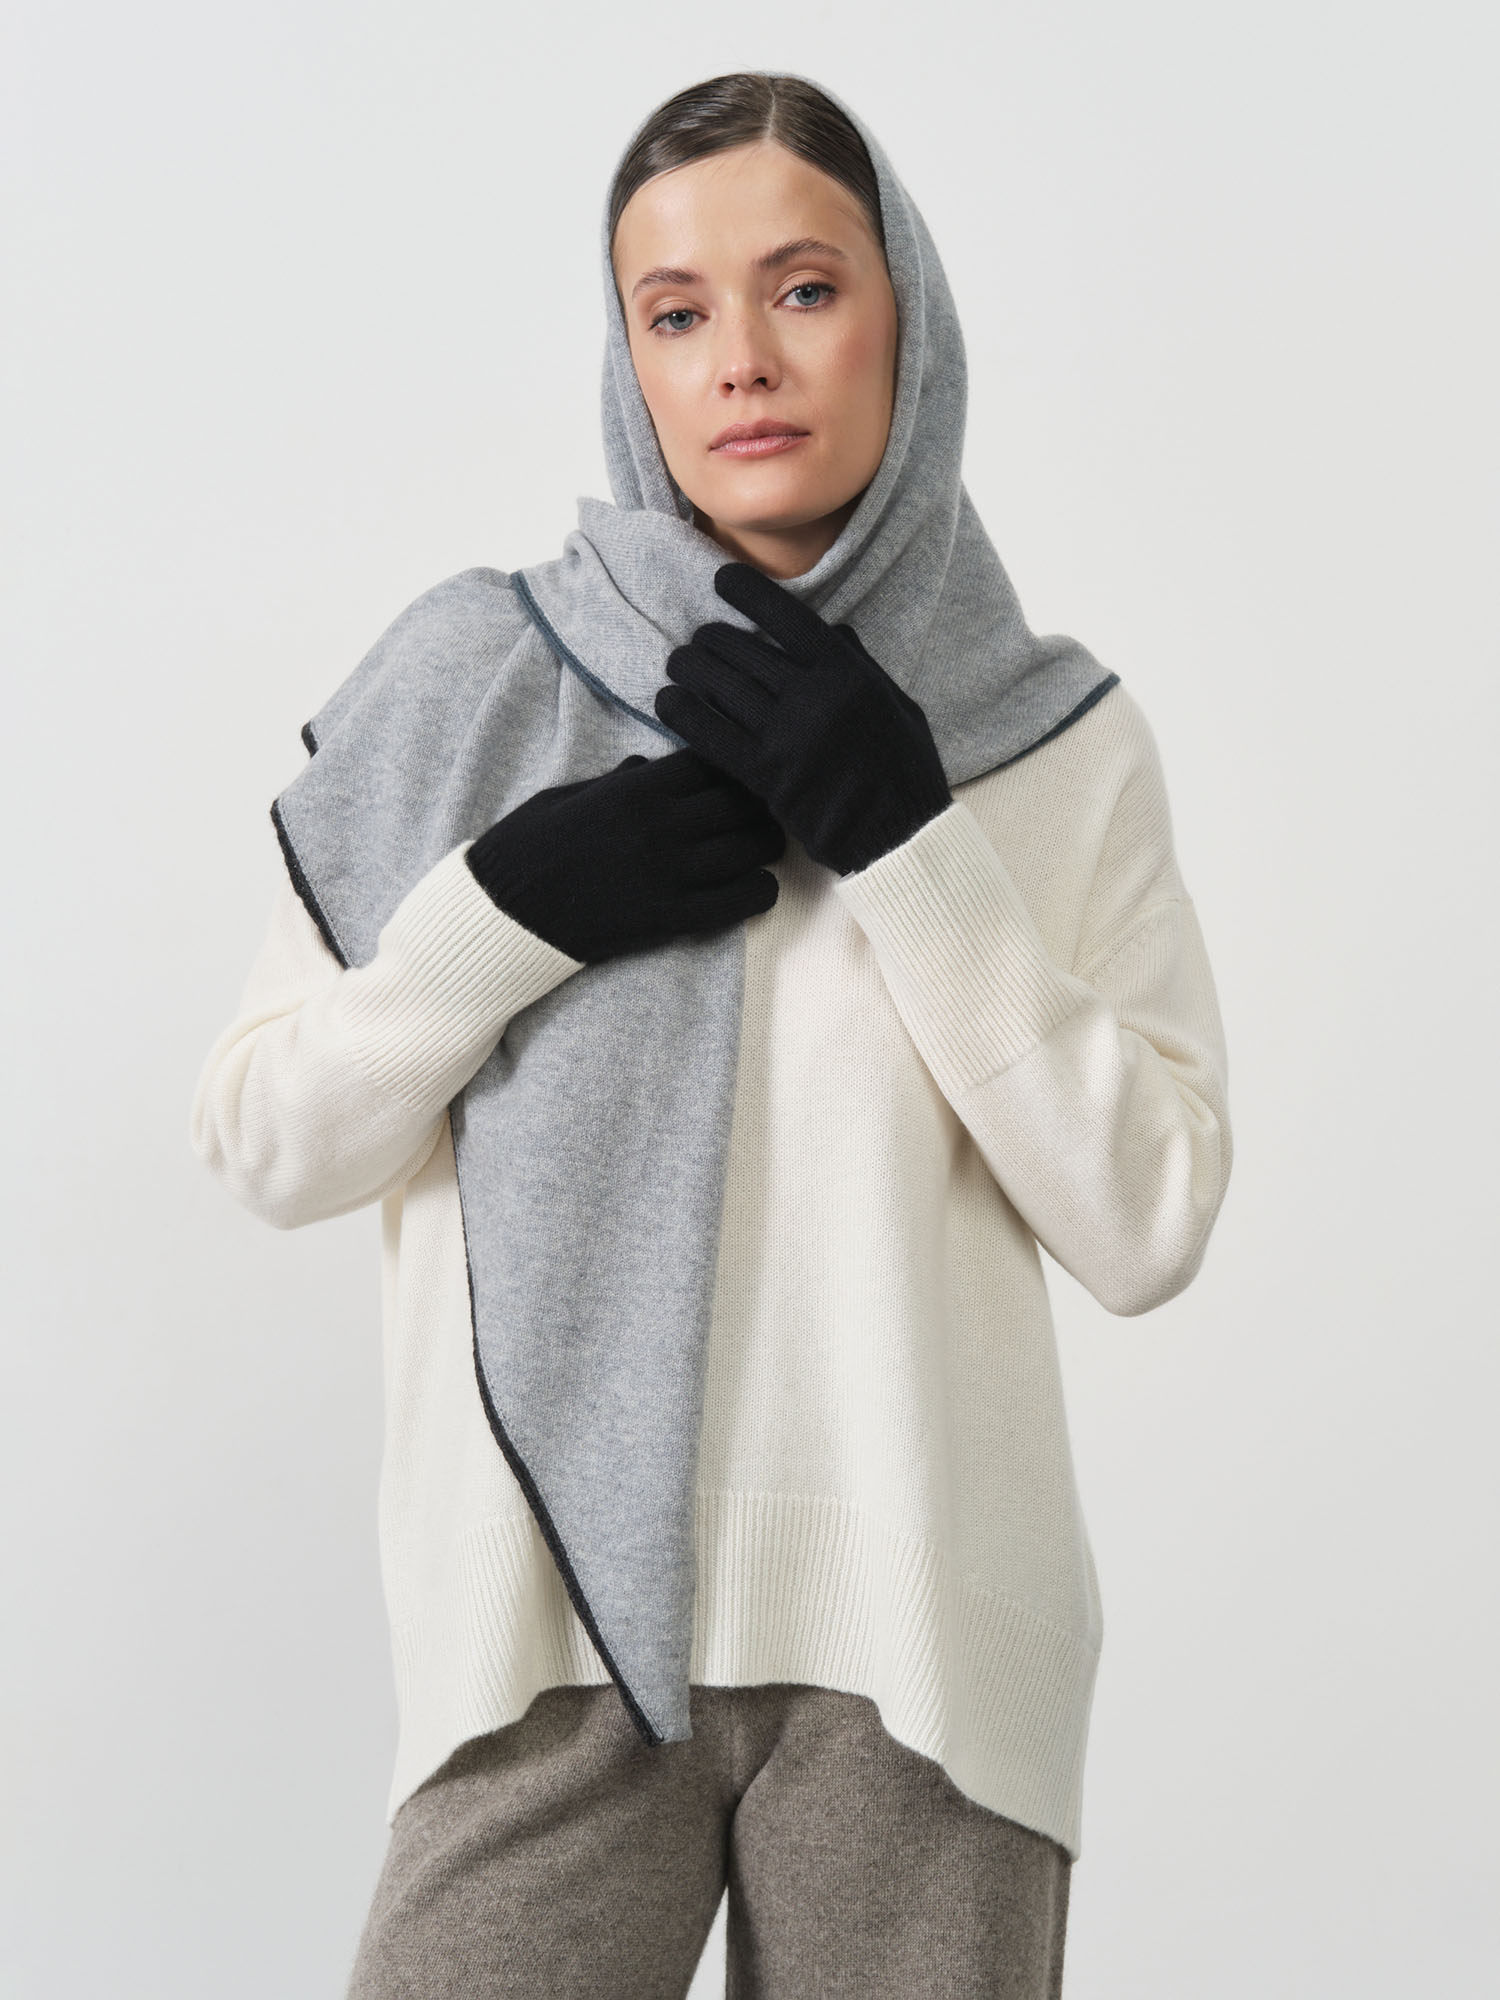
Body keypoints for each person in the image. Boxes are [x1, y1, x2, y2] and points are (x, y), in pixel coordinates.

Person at [190, 69, 1233, 2000]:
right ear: (631, 360)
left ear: (909, 315)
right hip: (547, 1640)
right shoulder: (476, 681)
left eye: (804, 289)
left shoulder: (1053, 738)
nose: (741, 358)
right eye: (675, 313)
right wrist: (499, 917)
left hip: (928, 1664)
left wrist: (914, 848)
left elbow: (1149, 1221)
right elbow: (266, 1138)